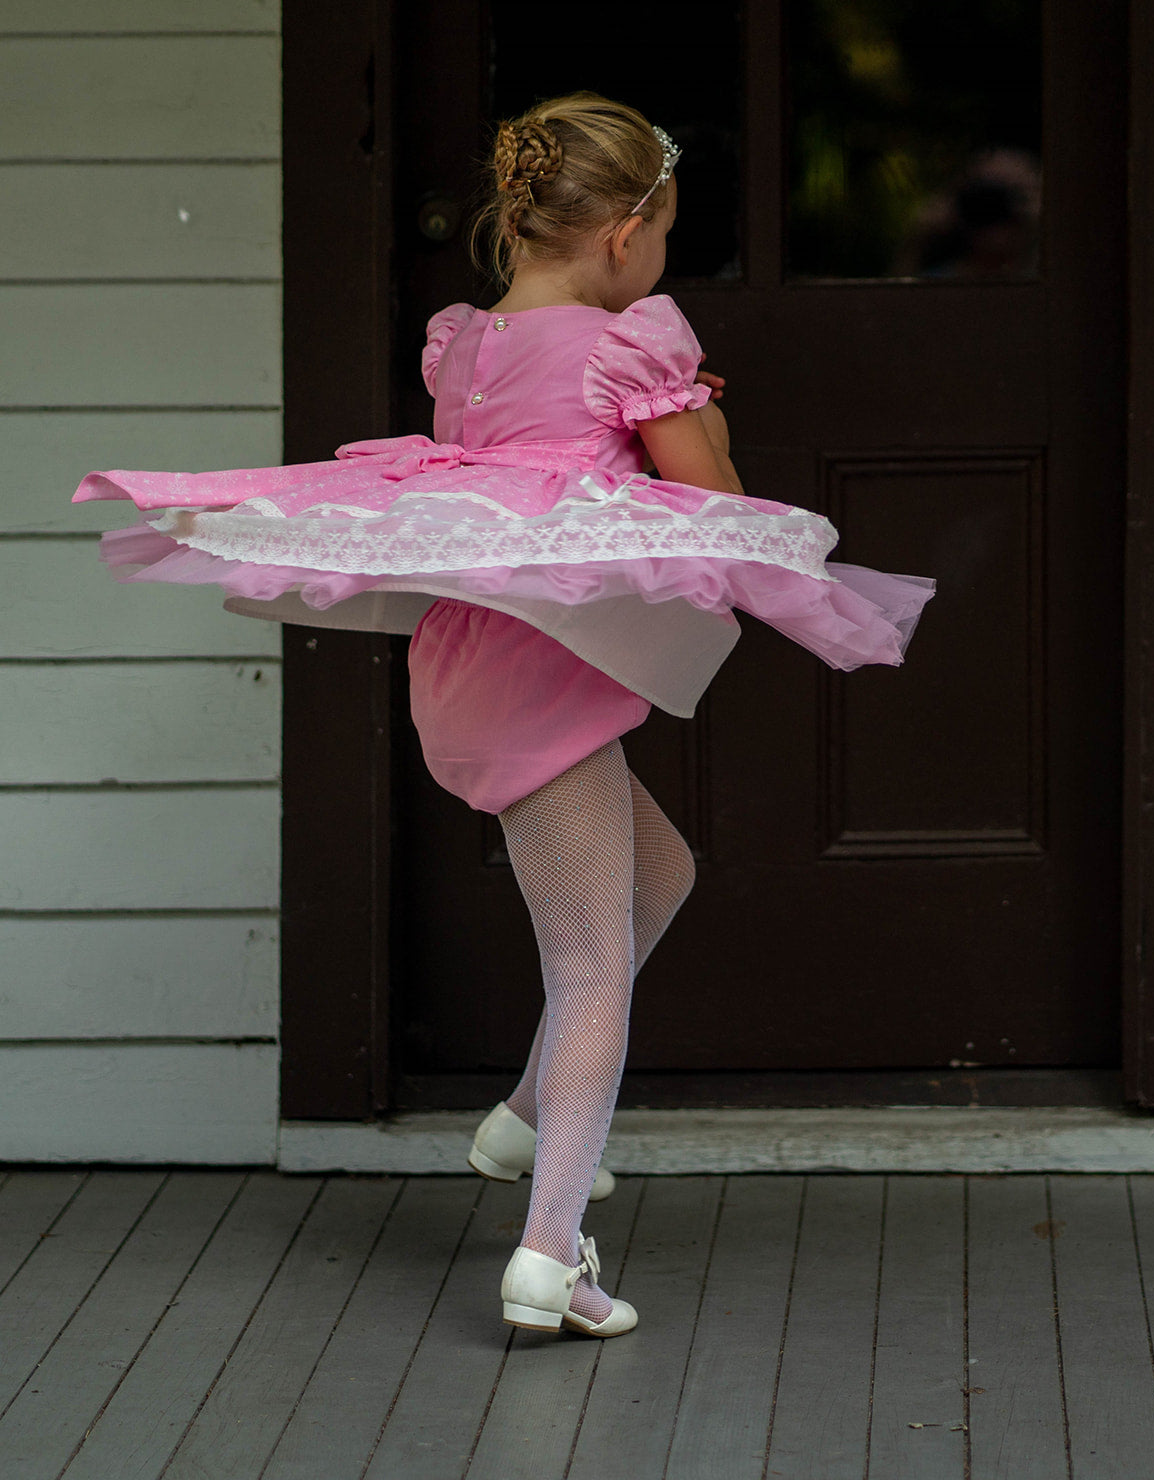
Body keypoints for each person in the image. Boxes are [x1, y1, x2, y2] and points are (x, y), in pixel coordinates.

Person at [71, 91, 935, 1341]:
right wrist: (701, 413)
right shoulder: (632, 344)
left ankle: (529, 1113)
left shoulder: (462, 343)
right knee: (588, 968)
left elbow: (509, 484)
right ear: (625, 238)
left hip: (472, 661)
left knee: (665, 871)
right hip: (543, 673)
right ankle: (549, 1249)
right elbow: (720, 500)